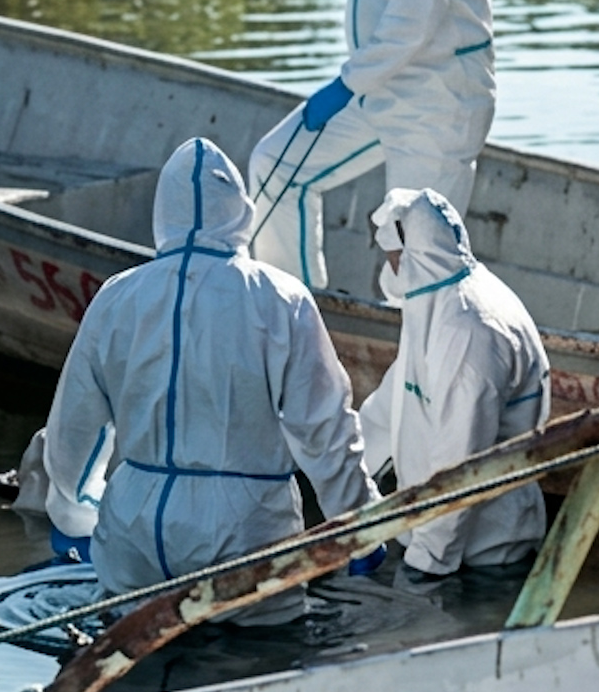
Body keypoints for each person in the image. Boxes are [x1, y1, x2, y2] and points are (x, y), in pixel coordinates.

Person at [42, 137, 384, 624]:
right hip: (246, 533)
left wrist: (72, 512)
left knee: (133, 660)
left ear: (162, 212)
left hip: (138, 529)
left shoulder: (117, 297)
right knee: (258, 665)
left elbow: (76, 425)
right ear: (240, 210)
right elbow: (324, 428)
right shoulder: (281, 298)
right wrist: (359, 523)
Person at [246, 0, 494, 291]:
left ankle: (406, 344)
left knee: (414, 270)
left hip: (437, 103)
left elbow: (416, 16)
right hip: (377, 87)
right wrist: (356, 82)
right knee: (276, 166)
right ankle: (295, 315)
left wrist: (346, 84)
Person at [358, 188, 550, 577]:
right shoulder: (436, 299)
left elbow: (459, 464)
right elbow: (393, 405)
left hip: (484, 551)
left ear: (411, 256)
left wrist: (425, 568)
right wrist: (343, 489)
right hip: (434, 532)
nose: (387, 267)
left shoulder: (467, 330)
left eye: (391, 257)